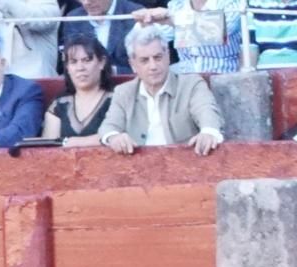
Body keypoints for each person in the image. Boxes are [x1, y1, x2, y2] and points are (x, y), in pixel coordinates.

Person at [97, 23, 225, 154]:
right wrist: (114, 137)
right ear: (133, 65)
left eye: (157, 57)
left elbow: (208, 112)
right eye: (144, 60)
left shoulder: (191, 84)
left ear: (168, 56)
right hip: (138, 168)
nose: (153, 66)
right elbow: (108, 127)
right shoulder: (123, 92)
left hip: (183, 167)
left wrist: (208, 132)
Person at [41, 37, 113, 145]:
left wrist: (72, 142)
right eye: (73, 62)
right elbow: (49, 150)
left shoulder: (117, 100)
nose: (80, 67)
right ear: (67, 68)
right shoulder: (59, 105)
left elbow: (121, 136)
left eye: (87, 60)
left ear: (102, 62)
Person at [59, 0, 144, 75]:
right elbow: (71, 64)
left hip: (128, 85)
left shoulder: (135, 15)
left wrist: (111, 71)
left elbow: (146, 64)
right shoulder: (73, 19)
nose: (86, 2)